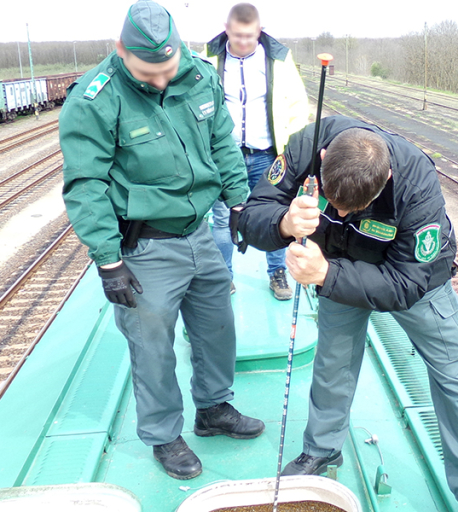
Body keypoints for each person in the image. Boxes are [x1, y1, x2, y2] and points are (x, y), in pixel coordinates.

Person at [238, 115, 458, 512]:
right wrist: (284, 221)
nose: (342, 215)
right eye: (335, 204)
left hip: (415, 282)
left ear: (388, 175)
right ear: (323, 159)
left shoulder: (418, 184)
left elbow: (406, 283)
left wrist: (325, 273)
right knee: (333, 361)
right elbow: (252, 214)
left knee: (454, 377)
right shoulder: (304, 148)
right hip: (341, 265)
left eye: (355, 208)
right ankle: (323, 449)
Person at [59, 0, 265, 481]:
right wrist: (108, 261)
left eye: (167, 70)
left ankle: (214, 408)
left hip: (200, 233)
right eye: (147, 73)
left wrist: (239, 203)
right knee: (151, 343)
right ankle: (163, 434)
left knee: (217, 326)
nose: (159, 81)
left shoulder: (196, 74)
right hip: (145, 247)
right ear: (120, 51)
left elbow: (222, 143)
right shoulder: (94, 100)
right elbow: (86, 185)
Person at [206, 2, 308, 300]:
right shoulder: (209, 58)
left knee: (273, 216)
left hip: (267, 155)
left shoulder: (278, 59)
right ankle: (224, 276)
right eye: (237, 35)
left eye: (249, 36)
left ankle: (277, 274)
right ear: (227, 31)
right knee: (223, 219)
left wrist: (289, 151)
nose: (243, 41)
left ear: (259, 31)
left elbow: (297, 107)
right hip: (225, 157)